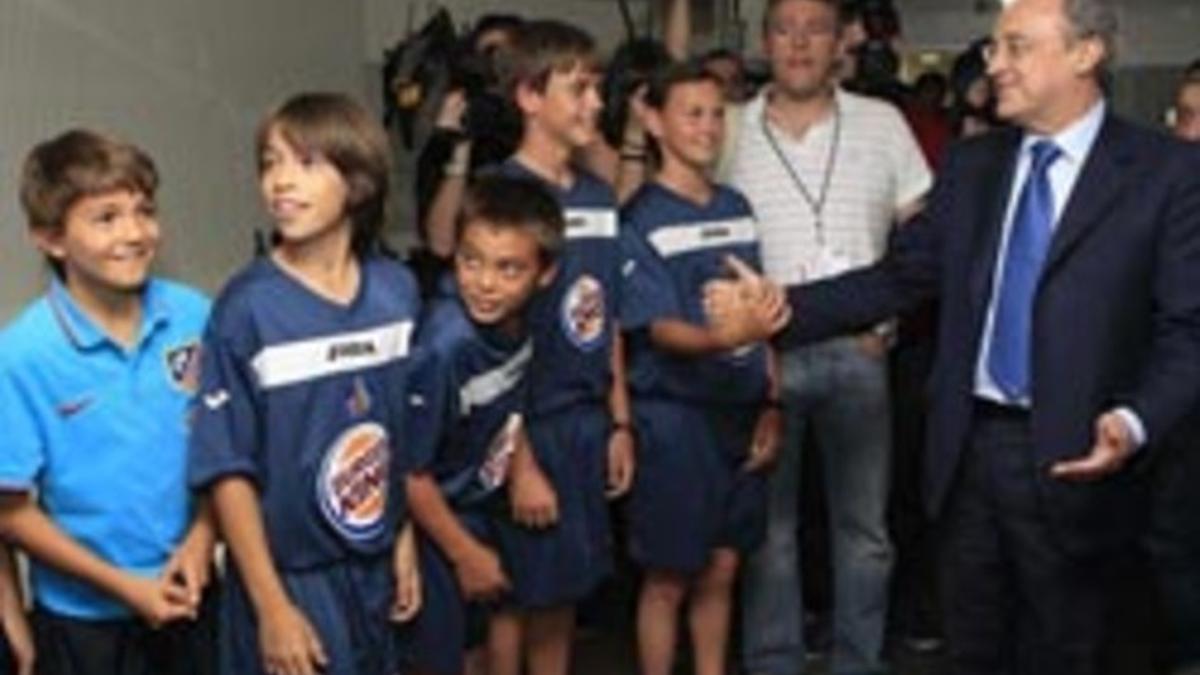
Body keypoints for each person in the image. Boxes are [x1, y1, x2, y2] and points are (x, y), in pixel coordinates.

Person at [707, 0, 1200, 672]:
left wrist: (1135, 420)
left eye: (1016, 46)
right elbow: (898, 278)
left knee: (1071, 646)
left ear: (1086, 54)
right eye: (996, 46)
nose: (993, 62)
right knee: (973, 645)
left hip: (1085, 459)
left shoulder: (1165, 173)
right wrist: (778, 306)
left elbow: (1188, 331)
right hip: (968, 452)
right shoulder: (974, 166)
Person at [722, 1, 932, 673]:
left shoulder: (883, 123)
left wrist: (890, 314)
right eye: (785, 28)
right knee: (770, 535)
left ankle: (857, 662)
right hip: (764, 362)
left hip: (860, 353)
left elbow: (920, 235)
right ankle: (774, 661)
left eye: (816, 28)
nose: (800, 43)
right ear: (765, 42)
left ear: (841, 40)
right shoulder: (727, 129)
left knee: (865, 533)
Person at [188, 93, 422, 675]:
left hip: (371, 568)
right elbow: (228, 470)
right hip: (289, 576)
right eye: (270, 163)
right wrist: (272, 607)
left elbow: (393, 437)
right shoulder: (247, 309)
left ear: (359, 181)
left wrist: (402, 539)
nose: (280, 182)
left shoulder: (396, 292)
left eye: (306, 163)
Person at [0, 128, 216, 675]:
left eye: (144, 211)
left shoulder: (194, 315)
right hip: (85, 620)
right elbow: (12, 511)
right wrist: (125, 586)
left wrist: (201, 540)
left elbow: (227, 449)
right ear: (50, 238)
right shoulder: (23, 355)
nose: (135, 232)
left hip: (195, 592)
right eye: (106, 217)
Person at [619, 62, 780, 675]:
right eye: (693, 113)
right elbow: (658, 329)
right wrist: (724, 337)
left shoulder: (737, 207)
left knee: (722, 567)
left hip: (740, 415)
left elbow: (763, 316)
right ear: (655, 122)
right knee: (668, 578)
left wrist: (772, 401)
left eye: (718, 113)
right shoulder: (639, 220)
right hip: (675, 422)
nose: (709, 127)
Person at [488, 19, 635, 675]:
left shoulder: (601, 198)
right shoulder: (501, 194)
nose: (595, 105)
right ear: (529, 95)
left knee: (564, 597)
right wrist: (518, 460)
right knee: (509, 602)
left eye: (597, 88)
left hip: (585, 419)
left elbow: (607, 320)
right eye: (578, 89)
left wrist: (620, 420)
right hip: (525, 425)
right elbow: (487, 346)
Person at [403, 175, 565, 675]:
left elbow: (506, 404)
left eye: (508, 268)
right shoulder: (444, 345)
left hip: (478, 505)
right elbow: (410, 473)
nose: (486, 282)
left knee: (480, 646)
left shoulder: (523, 323)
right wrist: (464, 553)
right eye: (471, 261)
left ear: (545, 273)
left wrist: (522, 463)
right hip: (435, 521)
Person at [1146, 60, 1200, 675]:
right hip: (1177, 414)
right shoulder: (1167, 199)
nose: (1187, 133)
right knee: (1173, 542)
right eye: (1181, 116)